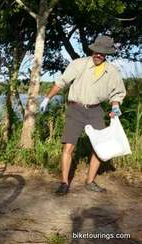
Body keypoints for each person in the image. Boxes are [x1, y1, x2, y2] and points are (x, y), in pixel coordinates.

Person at [39, 35, 126, 195]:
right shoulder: (79, 64)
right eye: (96, 51)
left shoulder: (112, 72)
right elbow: (61, 82)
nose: (98, 55)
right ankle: (64, 183)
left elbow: (117, 94)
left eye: (102, 53)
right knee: (68, 146)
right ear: (92, 50)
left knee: (101, 147)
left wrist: (115, 108)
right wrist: (47, 98)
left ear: (106, 54)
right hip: (76, 108)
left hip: (95, 110)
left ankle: (90, 181)